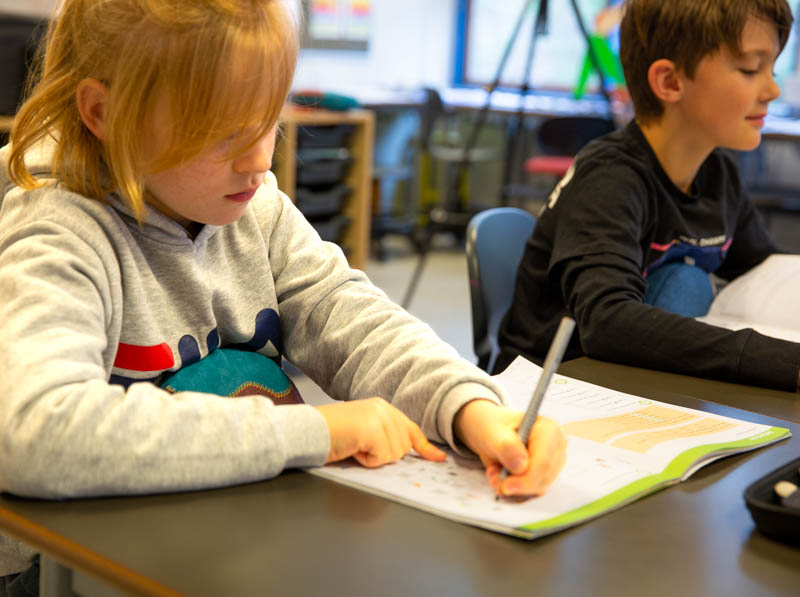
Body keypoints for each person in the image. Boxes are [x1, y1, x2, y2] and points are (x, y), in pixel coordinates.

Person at [0, 0, 567, 587]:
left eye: (269, 121)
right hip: (63, 573)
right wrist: (320, 431)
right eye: (221, 134)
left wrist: (471, 408)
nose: (259, 161)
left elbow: (350, 320)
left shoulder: (256, 207)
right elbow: (32, 433)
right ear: (103, 113)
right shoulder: (57, 228)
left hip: (220, 539)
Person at [497, 0, 800, 391]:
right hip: (556, 389)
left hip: (638, 384)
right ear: (670, 82)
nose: (772, 89)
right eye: (749, 69)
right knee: (684, 283)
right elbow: (607, 321)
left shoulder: (717, 173)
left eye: (772, 68)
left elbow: (762, 272)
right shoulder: (610, 178)